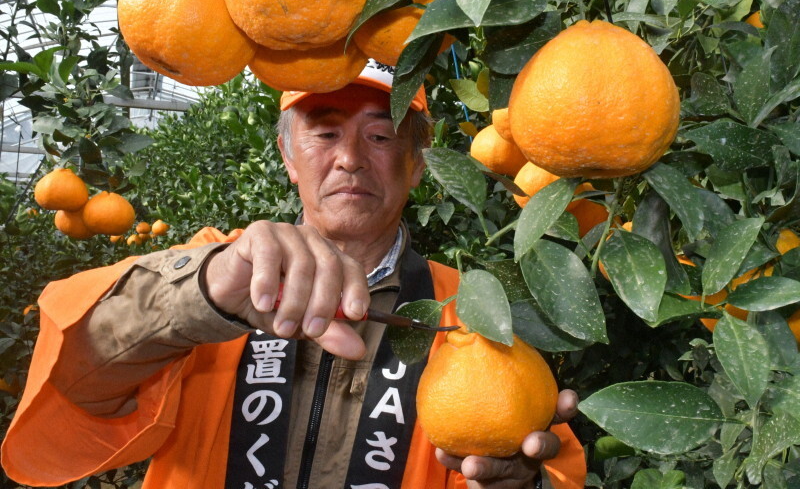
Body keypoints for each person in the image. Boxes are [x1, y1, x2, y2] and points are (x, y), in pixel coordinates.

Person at [1, 60, 586, 489]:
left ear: (416, 164)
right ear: (286, 156)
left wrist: (525, 480)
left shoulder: (471, 314)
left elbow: (552, 462)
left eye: (380, 136)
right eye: (325, 133)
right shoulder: (210, 273)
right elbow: (75, 380)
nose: (350, 158)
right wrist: (202, 298)